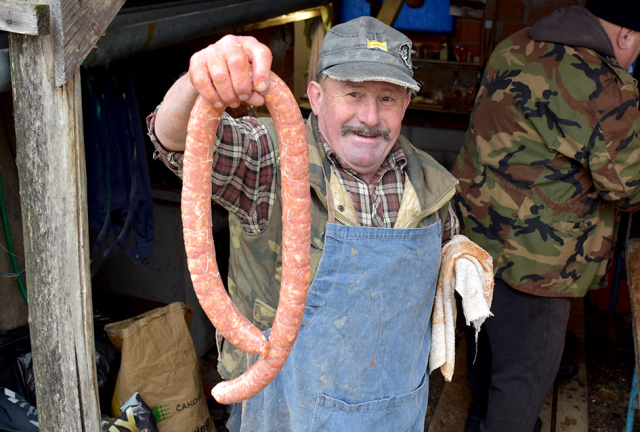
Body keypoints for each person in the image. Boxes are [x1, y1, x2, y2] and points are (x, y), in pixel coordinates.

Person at [149, 16, 460, 431]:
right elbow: (174, 140)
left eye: (387, 98)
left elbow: (440, 274)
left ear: (405, 104)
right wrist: (199, 78)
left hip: (394, 414)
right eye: (353, 93)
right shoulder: (268, 157)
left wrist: (463, 259)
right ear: (316, 96)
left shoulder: (432, 185)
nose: (370, 117)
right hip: (285, 414)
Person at [451, 0, 640, 430]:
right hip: (536, 268)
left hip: (473, 243)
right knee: (522, 384)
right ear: (625, 35)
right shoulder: (605, 87)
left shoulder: (513, 45)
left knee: (482, 362)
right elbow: (630, 189)